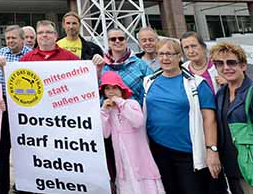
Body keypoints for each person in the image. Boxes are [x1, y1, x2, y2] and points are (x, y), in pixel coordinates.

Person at [143, 38, 221, 194]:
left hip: (188, 153)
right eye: (161, 54)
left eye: (170, 54)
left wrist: (212, 150)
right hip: (158, 150)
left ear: (179, 56)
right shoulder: (148, 81)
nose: (165, 58)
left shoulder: (197, 83)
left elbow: (209, 119)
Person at [99, 71, 165, 194]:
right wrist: (103, 112)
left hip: (139, 159)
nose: (111, 92)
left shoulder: (131, 104)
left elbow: (138, 122)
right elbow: (105, 133)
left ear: (121, 89)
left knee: (145, 186)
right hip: (122, 162)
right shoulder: (108, 110)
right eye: (107, 89)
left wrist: (121, 103)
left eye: (114, 88)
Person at [0, 25, 31, 194]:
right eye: (8, 38)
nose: (10, 41)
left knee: (24, 150)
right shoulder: (0, 54)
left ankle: (24, 187)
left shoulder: (30, 55)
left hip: (24, 106)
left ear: (22, 38)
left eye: (14, 38)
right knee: (2, 151)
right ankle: (1, 189)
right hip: (3, 105)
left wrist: (7, 70)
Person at [212, 42, 253, 194]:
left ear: (243, 66)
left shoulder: (251, 91)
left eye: (231, 62)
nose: (226, 67)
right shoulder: (221, 94)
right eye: (220, 63)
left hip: (249, 165)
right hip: (231, 165)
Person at [92, 29, 152, 105]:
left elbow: (151, 89)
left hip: (133, 113)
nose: (117, 41)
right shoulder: (100, 65)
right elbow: (92, 91)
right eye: (113, 39)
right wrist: (98, 70)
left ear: (125, 41)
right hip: (107, 113)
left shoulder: (140, 65)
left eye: (121, 38)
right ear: (108, 43)